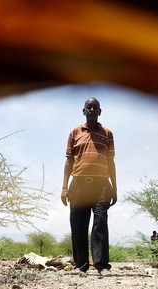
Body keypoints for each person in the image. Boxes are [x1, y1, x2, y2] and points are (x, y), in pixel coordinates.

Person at [61, 97, 117, 276]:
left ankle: (101, 265)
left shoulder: (107, 133)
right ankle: (81, 265)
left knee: (100, 224)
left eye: (95, 108)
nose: (91, 110)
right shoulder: (75, 132)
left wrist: (114, 187)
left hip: (101, 185)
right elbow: (69, 161)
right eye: (88, 107)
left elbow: (111, 161)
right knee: (78, 224)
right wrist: (64, 187)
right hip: (78, 184)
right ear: (83, 111)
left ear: (100, 112)